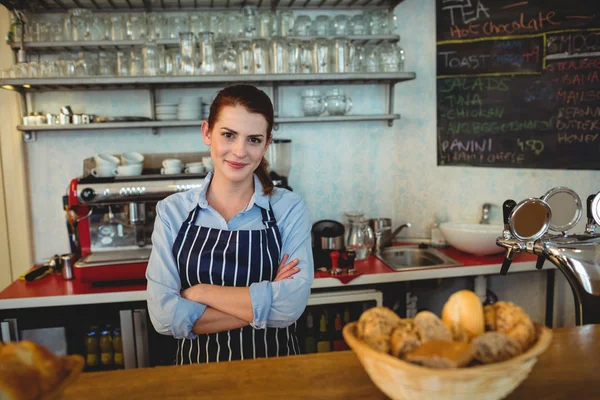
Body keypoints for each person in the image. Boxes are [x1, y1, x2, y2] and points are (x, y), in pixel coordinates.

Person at [146, 84, 313, 364]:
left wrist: (200, 293)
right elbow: (164, 318)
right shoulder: (172, 212)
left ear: (267, 143)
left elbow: (290, 307)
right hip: (198, 378)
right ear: (207, 133)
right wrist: (266, 298)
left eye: (253, 139)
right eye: (228, 135)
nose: (239, 151)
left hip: (277, 375)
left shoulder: (289, 208)